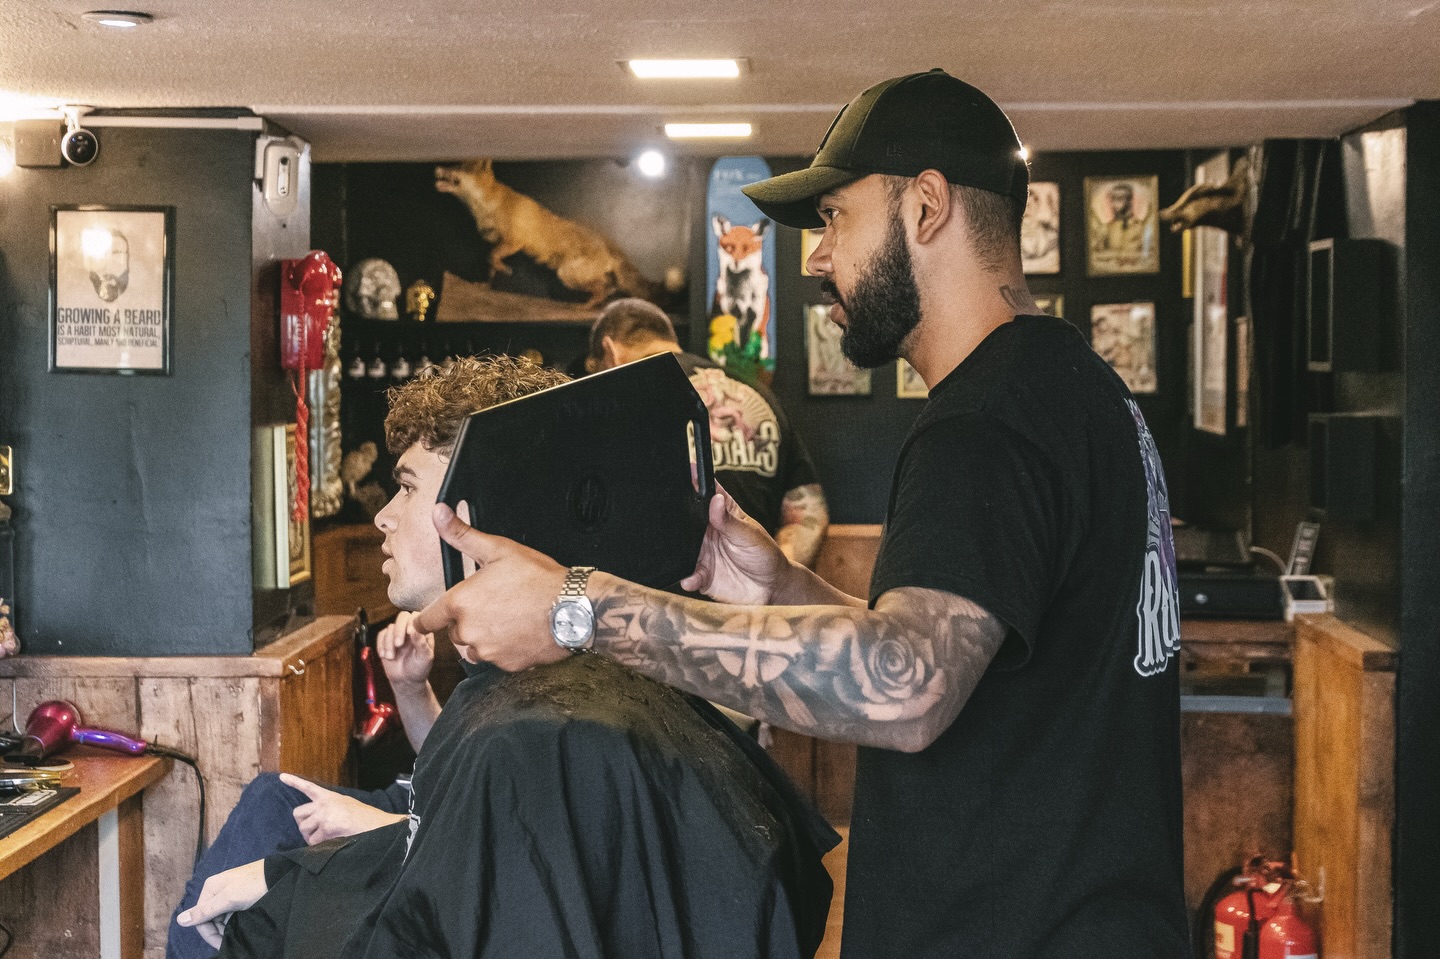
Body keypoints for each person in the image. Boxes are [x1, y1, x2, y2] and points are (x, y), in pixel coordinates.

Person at [412, 70, 1190, 958]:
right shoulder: (1076, 389)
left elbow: (910, 689)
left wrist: (576, 606)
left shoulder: (985, 420)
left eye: (834, 218)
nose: (818, 258)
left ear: (926, 206)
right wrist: (781, 588)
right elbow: (968, 660)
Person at [175, 355, 837, 959]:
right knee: (270, 819)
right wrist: (297, 869)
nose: (383, 516)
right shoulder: (562, 699)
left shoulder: (530, 736)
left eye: (406, 488)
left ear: (476, 507)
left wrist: (286, 897)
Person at [587, 298, 829, 568]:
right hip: (755, 586)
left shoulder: (620, 402)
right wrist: (774, 579)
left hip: (663, 589)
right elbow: (809, 512)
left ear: (609, 351)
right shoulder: (757, 393)